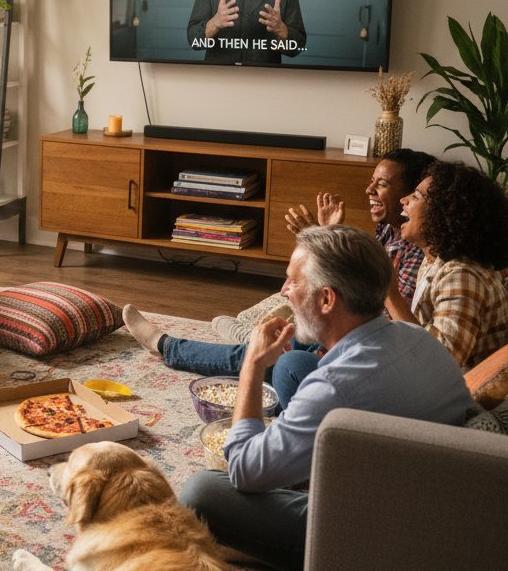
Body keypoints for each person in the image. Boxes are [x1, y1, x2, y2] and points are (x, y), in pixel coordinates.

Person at [178, 225, 471, 571]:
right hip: (434, 493)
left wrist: (252, 367)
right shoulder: (415, 335)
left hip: (383, 537)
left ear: (327, 299)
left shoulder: (333, 388)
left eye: (292, 282)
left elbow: (242, 469)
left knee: (202, 492)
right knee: (292, 365)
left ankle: (266, 549)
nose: (284, 291)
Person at [126, 149, 435, 407]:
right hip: (351, 335)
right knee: (282, 340)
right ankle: (187, 344)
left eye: (381, 185)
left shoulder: (418, 252)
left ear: (409, 195)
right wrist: (326, 237)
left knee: (276, 355)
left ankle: (173, 345)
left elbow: (362, 303)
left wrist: (321, 240)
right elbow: (348, 289)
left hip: (359, 347)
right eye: (371, 182)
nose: (369, 191)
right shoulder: (388, 232)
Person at [385, 159, 508, 367]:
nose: (403, 200)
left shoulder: (462, 275)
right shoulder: (436, 259)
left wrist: (389, 293)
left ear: (445, 211)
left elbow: (438, 365)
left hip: (454, 398)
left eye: (415, 196)